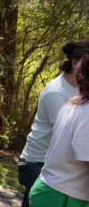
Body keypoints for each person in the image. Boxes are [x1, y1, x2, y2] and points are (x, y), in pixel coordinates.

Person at [18, 40, 89, 207]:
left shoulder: (78, 95)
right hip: (37, 162)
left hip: (57, 168)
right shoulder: (56, 92)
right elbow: (72, 138)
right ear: (74, 63)